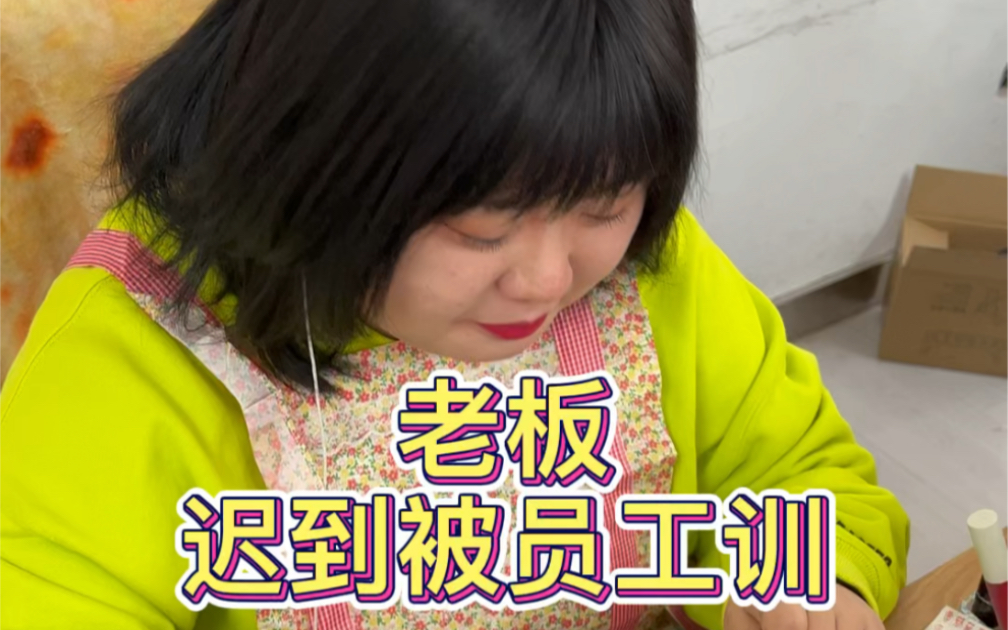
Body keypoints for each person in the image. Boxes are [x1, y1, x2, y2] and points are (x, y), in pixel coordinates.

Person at [0, 1, 909, 629]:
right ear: (310, 168)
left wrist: (816, 582)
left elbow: (801, 475)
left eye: (603, 206)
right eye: (481, 230)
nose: (548, 278)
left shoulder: (649, 270)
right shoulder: (131, 350)